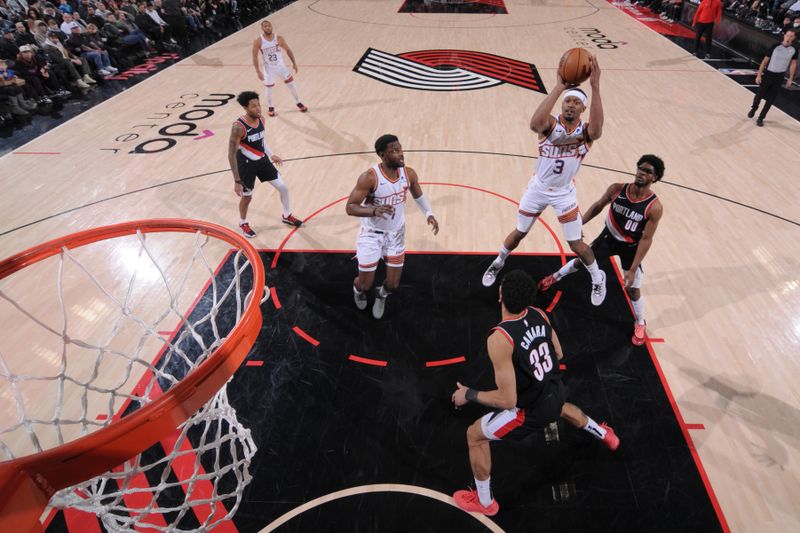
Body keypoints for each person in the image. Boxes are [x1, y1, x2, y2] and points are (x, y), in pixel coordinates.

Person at [451, 269, 619, 516]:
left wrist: (469, 394)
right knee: (561, 407)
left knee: (474, 435)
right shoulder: (539, 313)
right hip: (554, 391)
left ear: (500, 296)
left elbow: (508, 400)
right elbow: (558, 354)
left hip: (528, 412)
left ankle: (485, 503)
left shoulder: (500, 338)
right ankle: (605, 434)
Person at [482, 55, 607, 306]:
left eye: (575, 102)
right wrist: (560, 86)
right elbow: (534, 123)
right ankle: (497, 263)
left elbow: (597, 131)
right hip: (538, 189)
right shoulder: (550, 124)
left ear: (583, 108)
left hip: (564, 194)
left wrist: (594, 86)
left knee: (575, 243)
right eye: (567, 101)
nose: (570, 105)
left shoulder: (585, 133)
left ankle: (597, 277)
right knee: (519, 233)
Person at [538, 155, 665, 346]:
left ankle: (640, 322)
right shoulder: (617, 189)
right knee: (582, 260)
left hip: (631, 247)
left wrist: (632, 268)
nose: (641, 172)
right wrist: (578, 224)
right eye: (640, 168)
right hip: (609, 238)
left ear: (655, 178)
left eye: (648, 171)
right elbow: (598, 206)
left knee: (632, 289)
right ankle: (555, 277)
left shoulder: (654, 207)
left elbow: (647, 239)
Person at [345, 134, 439, 319]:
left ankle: (382, 295)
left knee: (393, 284)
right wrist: (373, 211)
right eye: (394, 151)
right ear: (382, 155)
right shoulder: (369, 178)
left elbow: (418, 195)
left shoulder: (408, 174)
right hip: (371, 233)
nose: (400, 154)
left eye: (400, 149)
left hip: (396, 233)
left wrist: (429, 214)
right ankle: (358, 291)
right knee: (365, 284)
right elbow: (350, 207)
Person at [227, 90, 303, 238]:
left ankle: (286, 215)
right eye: (253, 106)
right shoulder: (238, 127)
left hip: (262, 160)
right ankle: (243, 222)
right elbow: (231, 154)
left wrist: (271, 154)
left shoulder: (261, 119)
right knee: (247, 197)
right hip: (246, 164)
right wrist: (236, 180)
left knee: (283, 187)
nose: (258, 108)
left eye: (258, 105)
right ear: (245, 108)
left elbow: (261, 139)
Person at [251, 19, 307, 117]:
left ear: (271, 26)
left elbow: (288, 50)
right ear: (262, 28)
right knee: (268, 88)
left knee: (292, 84)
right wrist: (258, 71)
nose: (267, 27)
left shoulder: (279, 38)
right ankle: (271, 108)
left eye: (269, 26)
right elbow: (254, 56)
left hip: (281, 67)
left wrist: (294, 63)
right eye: (265, 26)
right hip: (269, 68)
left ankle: (299, 102)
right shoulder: (258, 40)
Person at [748, 29, 797, 126]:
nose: (788, 38)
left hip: (779, 77)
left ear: (794, 38)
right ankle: (754, 108)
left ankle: (761, 117)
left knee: (770, 99)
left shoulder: (794, 50)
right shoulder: (775, 46)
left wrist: (790, 78)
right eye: (787, 35)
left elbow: (793, 64)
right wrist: (759, 75)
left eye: (791, 36)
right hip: (768, 74)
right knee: (759, 95)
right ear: (784, 36)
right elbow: (765, 61)